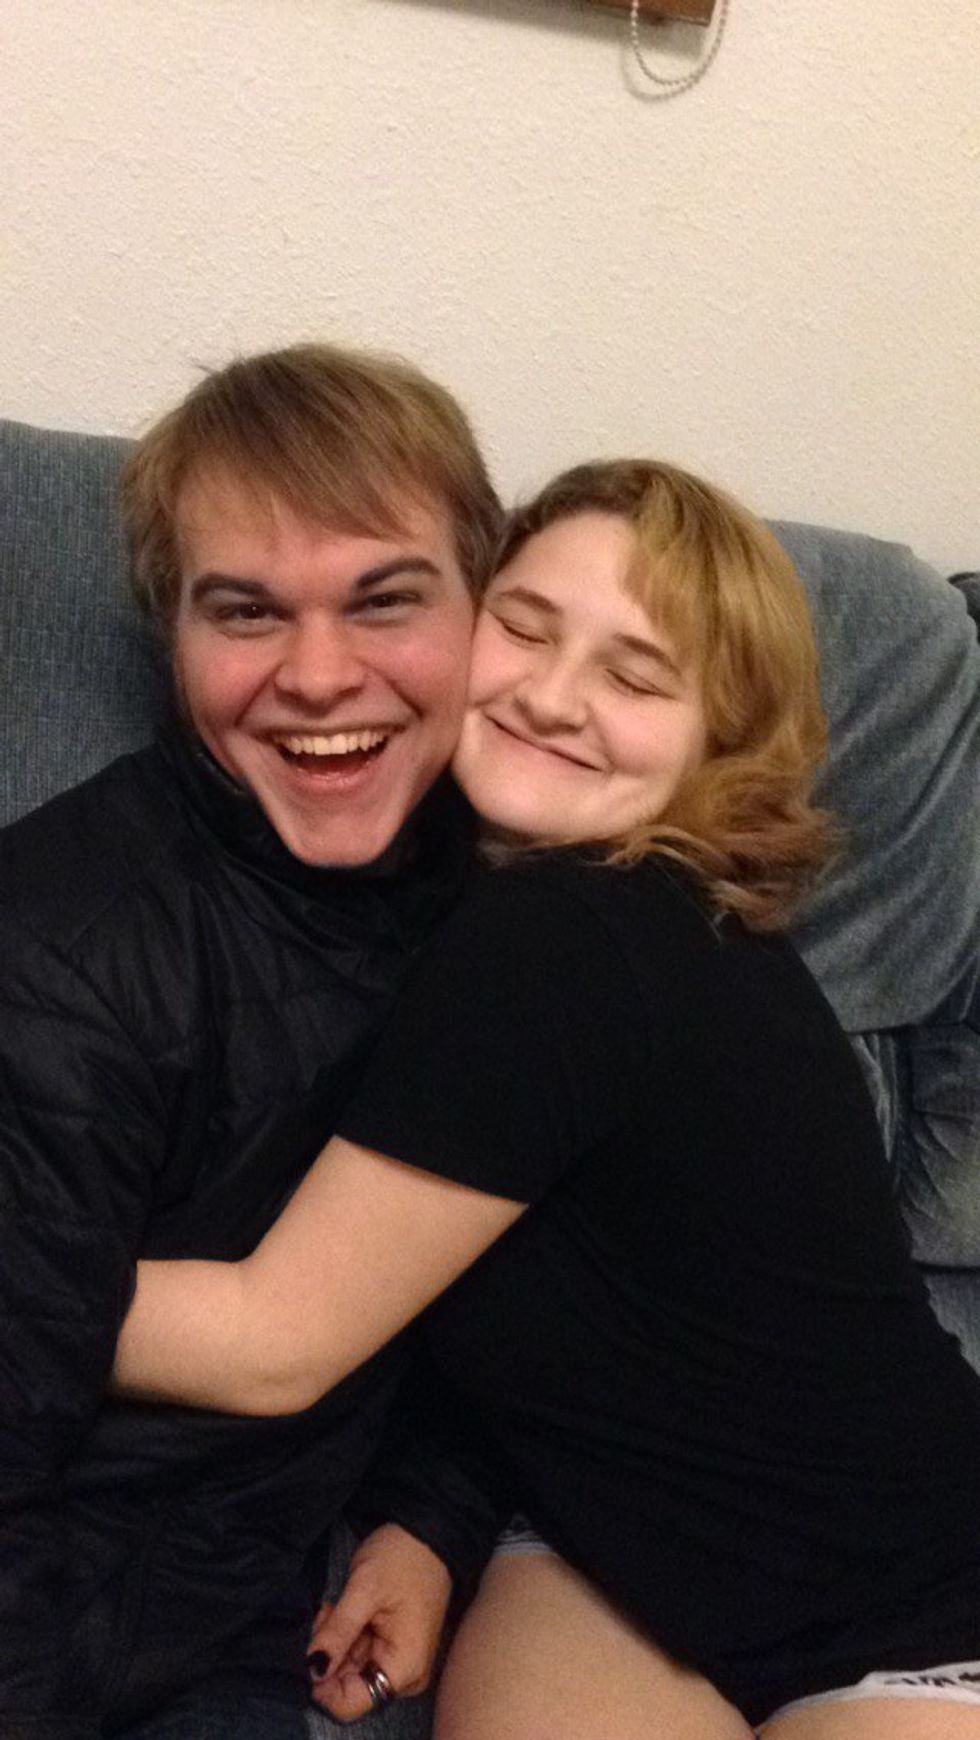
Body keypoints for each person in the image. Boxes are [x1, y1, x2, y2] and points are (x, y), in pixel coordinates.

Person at [113, 460, 980, 1740]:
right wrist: (429, 1521)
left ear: (718, 745)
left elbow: (272, 1342)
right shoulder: (458, 903)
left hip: (914, 1603)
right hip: (597, 1554)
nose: (553, 697)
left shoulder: (575, 937)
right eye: (523, 628)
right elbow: (550, 1290)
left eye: (635, 678)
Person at [0, 342, 508, 1739]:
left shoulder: (514, 909)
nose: (320, 676)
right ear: (173, 640)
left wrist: (429, 1519)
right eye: (246, 612)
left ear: (485, 609)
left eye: (385, 600)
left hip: (238, 1591)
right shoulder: (64, 949)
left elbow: (521, 1291)